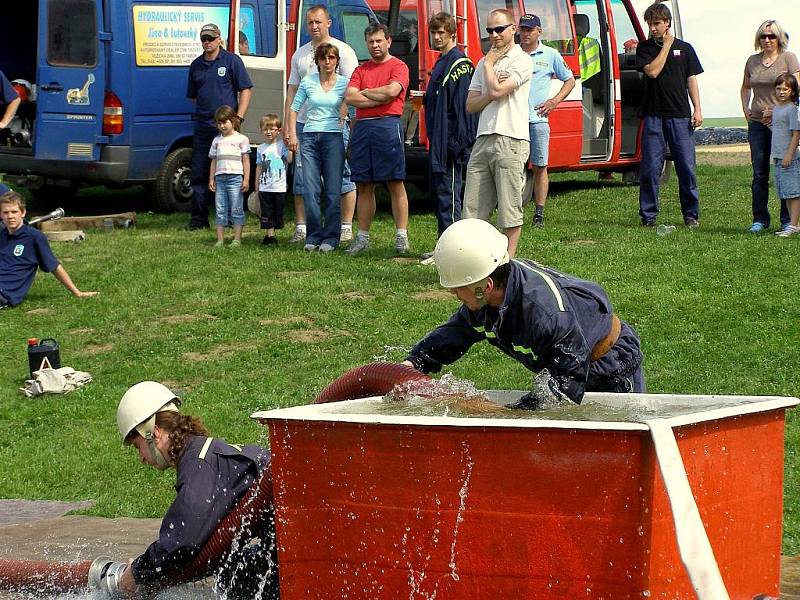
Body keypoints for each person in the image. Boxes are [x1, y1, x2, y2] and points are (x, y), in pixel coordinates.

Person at [402, 219, 644, 408]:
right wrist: (412, 364)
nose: (453, 292)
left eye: (457, 287)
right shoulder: (487, 297)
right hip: (573, 358)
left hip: (609, 365)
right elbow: (457, 332)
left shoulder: (545, 315)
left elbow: (562, 392)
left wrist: (506, 414)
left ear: (484, 287)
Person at [115, 381, 279, 599]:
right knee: (232, 572)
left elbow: (183, 541)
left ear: (153, 434)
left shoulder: (199, 465)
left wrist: (137, 573)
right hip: (291, 544)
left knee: (233, 581)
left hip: (301, 553)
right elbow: (205, 542)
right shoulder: (203, 453)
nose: (141, 458)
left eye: (138, 447)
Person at [284, 5, 359, 245]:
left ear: (328, 23)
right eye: (310, 23)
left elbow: (353, 89)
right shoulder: (300, 55)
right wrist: (288, 128)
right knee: (305, 183)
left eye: (318, 22)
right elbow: (292, 92)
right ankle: (306, 229)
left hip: (336, 130)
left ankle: (343, 228)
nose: (314, 27)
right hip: (306, 128)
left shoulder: (345, 51)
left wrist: (346, 113)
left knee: (340, 180)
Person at [464, 9, 531, 258]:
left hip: (511, 138)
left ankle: (507, 261)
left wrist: (491, 70)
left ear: (513, 29)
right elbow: (470, 105)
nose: (494, 35)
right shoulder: (483, 62)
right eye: (489, 30)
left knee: (509, 208)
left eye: (499, 29)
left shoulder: (521, 59)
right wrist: (491, 86)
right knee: (472, 207)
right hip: (484, 137)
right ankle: (475, 260)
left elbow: (499, 91)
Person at [345, 23, 411, 255]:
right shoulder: (361, 70)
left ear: (388, 41)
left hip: (388, 126)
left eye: (379, 41)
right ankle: (363, 237)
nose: (374, 45)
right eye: (371, 41)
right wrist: (378, 98)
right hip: (362, 128)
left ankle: (401, 237)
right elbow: (350, 97)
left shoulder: (399, 66)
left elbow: (392, 92)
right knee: (364, 184)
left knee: (394, 182)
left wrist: (366, 93)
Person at [636, 3, 703, 229]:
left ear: (667, 23)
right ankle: (648, 216)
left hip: (680, 116)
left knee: (686, 167)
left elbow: (691, 79)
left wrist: (698, 108)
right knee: (651, 168)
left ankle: (691, 215)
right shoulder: (644, 48)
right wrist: (665, 47)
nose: (653, 28)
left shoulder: (685, 49)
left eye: (657, 23)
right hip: (653, 115)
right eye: (650, 24)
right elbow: (652, 71)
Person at [421, 12, 477, 261]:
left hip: (451, 145)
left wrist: (457, 144)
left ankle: (453, 251)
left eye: (442, 32)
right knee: (440, 195)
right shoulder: (441, 62)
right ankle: (443, 246)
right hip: (438, 142)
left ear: (453, 34)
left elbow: (464, 109)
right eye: (434, 32)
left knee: (450, 197)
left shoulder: (459, 65)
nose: (437, 37)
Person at [186, 23, 253, 231]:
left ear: (219, 39)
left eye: (210, 39)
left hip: (229, 128)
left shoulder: (232, 61)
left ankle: (234, 218)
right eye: (204, 39)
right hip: (204, 127)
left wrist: (238, 118)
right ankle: (199, 220)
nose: (207, 42)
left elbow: (246, 89)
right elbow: (194, 96)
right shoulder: (196, 65)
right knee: (200, 173)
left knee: (232, 172)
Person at [288, 43, 349, 252]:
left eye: (332, 58)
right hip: (309, 137)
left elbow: (355, 107)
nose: (328, 62)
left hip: (334, 137)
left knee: (333, 190)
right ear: (318, 62)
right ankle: (313, 236)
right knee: (310, 189)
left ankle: (331, 238)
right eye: (323, 58)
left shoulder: (345, 84)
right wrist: (293, 135)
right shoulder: (307, 81)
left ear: (337, 61)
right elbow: (294, 108)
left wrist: (348, 120)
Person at [741, 20, 800, 234]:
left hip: (782, 125)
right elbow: (746, 86)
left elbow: (796, 87)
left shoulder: (789, 58)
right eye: (763, 36)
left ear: (779, 38)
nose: (767, 40)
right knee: (759, 173)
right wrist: (745, 108)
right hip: (757, 123)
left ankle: (787, 220)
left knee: (784, 171)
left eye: (771, 36)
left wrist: (775, 112)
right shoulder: (752, 61)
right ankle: (760, 219)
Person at [518, 13, 575, 227]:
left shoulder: (550, 54)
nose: (525, 34)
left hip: (538, 120)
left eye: (529, 30)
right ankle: (515, 211)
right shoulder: (514, 53)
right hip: (514, 120)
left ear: (539, 32)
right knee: (514, 167)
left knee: (540, 166)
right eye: (522, 29)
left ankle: (539, 213)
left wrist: (554, 101)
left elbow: (569, 80)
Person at [0, 191, 97, 308]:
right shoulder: (2, 235)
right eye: (5, 212)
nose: (10, 216)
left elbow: (54, 266)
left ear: (23, 212)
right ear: (1, 215)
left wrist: (77, 292)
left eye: (14, 212)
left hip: (5, 293)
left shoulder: (34, 237)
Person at [208, 105, 250, 248]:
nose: (222, 126)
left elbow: (246, 160)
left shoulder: (242, 139)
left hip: (235, 178)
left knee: (236, 207)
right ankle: (220, 240)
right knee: (220, 208)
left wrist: (246, 179)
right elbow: (214, 160)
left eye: (225, 122)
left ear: (233, 121)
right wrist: (211, 178)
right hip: (220, 179)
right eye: (219, 123)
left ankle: (237, 239)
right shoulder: (216, 141)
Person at [769, 73, 800, 237]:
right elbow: (779, 131)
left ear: (793, 92)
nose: (781, 92)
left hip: (790, 158)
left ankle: (794, 225)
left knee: (794, 192)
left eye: (785, 89)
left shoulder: (792, 109)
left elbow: (796, 133)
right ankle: (792, 224)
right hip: (778, 156)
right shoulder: (777, 109)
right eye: (779, 88)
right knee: (786, 192)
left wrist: (789, 154)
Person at [255, 114, 290, 245]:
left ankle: (274, 230)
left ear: (279, 131)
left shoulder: (282, 146)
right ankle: (270, 236)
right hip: (265, 187)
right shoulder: (260, 148)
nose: (268, 132)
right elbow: (259, 166)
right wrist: (256, 184)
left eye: (272, 129)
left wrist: (291, 147)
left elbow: (290, 160)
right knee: (266, 211)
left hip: (279, 187)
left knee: (277, 211)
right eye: (265, 129)